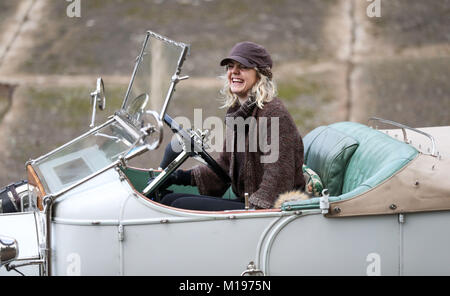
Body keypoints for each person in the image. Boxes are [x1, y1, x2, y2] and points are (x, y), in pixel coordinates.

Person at [157, 41, 305, 210]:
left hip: (268, 209)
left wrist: (254, 210)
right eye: (230, 66)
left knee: (179, 205)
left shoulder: (273, 113)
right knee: (167, 199)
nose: (234, 72)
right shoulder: (239, 113)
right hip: (249, 203)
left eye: (243, 67)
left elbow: (278, 175)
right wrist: (178, 177)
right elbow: (225, 166)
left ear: (260, 74)